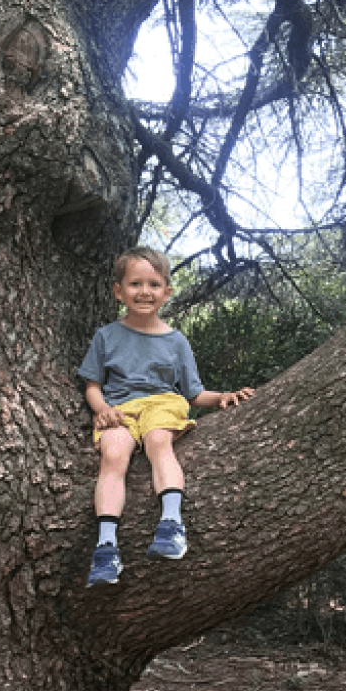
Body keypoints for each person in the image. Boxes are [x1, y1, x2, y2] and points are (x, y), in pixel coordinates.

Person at [78, 246, 254, 587]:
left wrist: (223, 397)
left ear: (167, 292)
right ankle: (105, 547)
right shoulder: (106, 337)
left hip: (162, 404)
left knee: (159, 441)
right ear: (119, 291)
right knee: (113, 455)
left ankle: (171, 525)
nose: (145, 292)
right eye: (135, 284)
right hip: (121, 409)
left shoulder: (176, 341)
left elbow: (193, 393)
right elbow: (93, 386)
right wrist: (102, 410)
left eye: (154, 285)